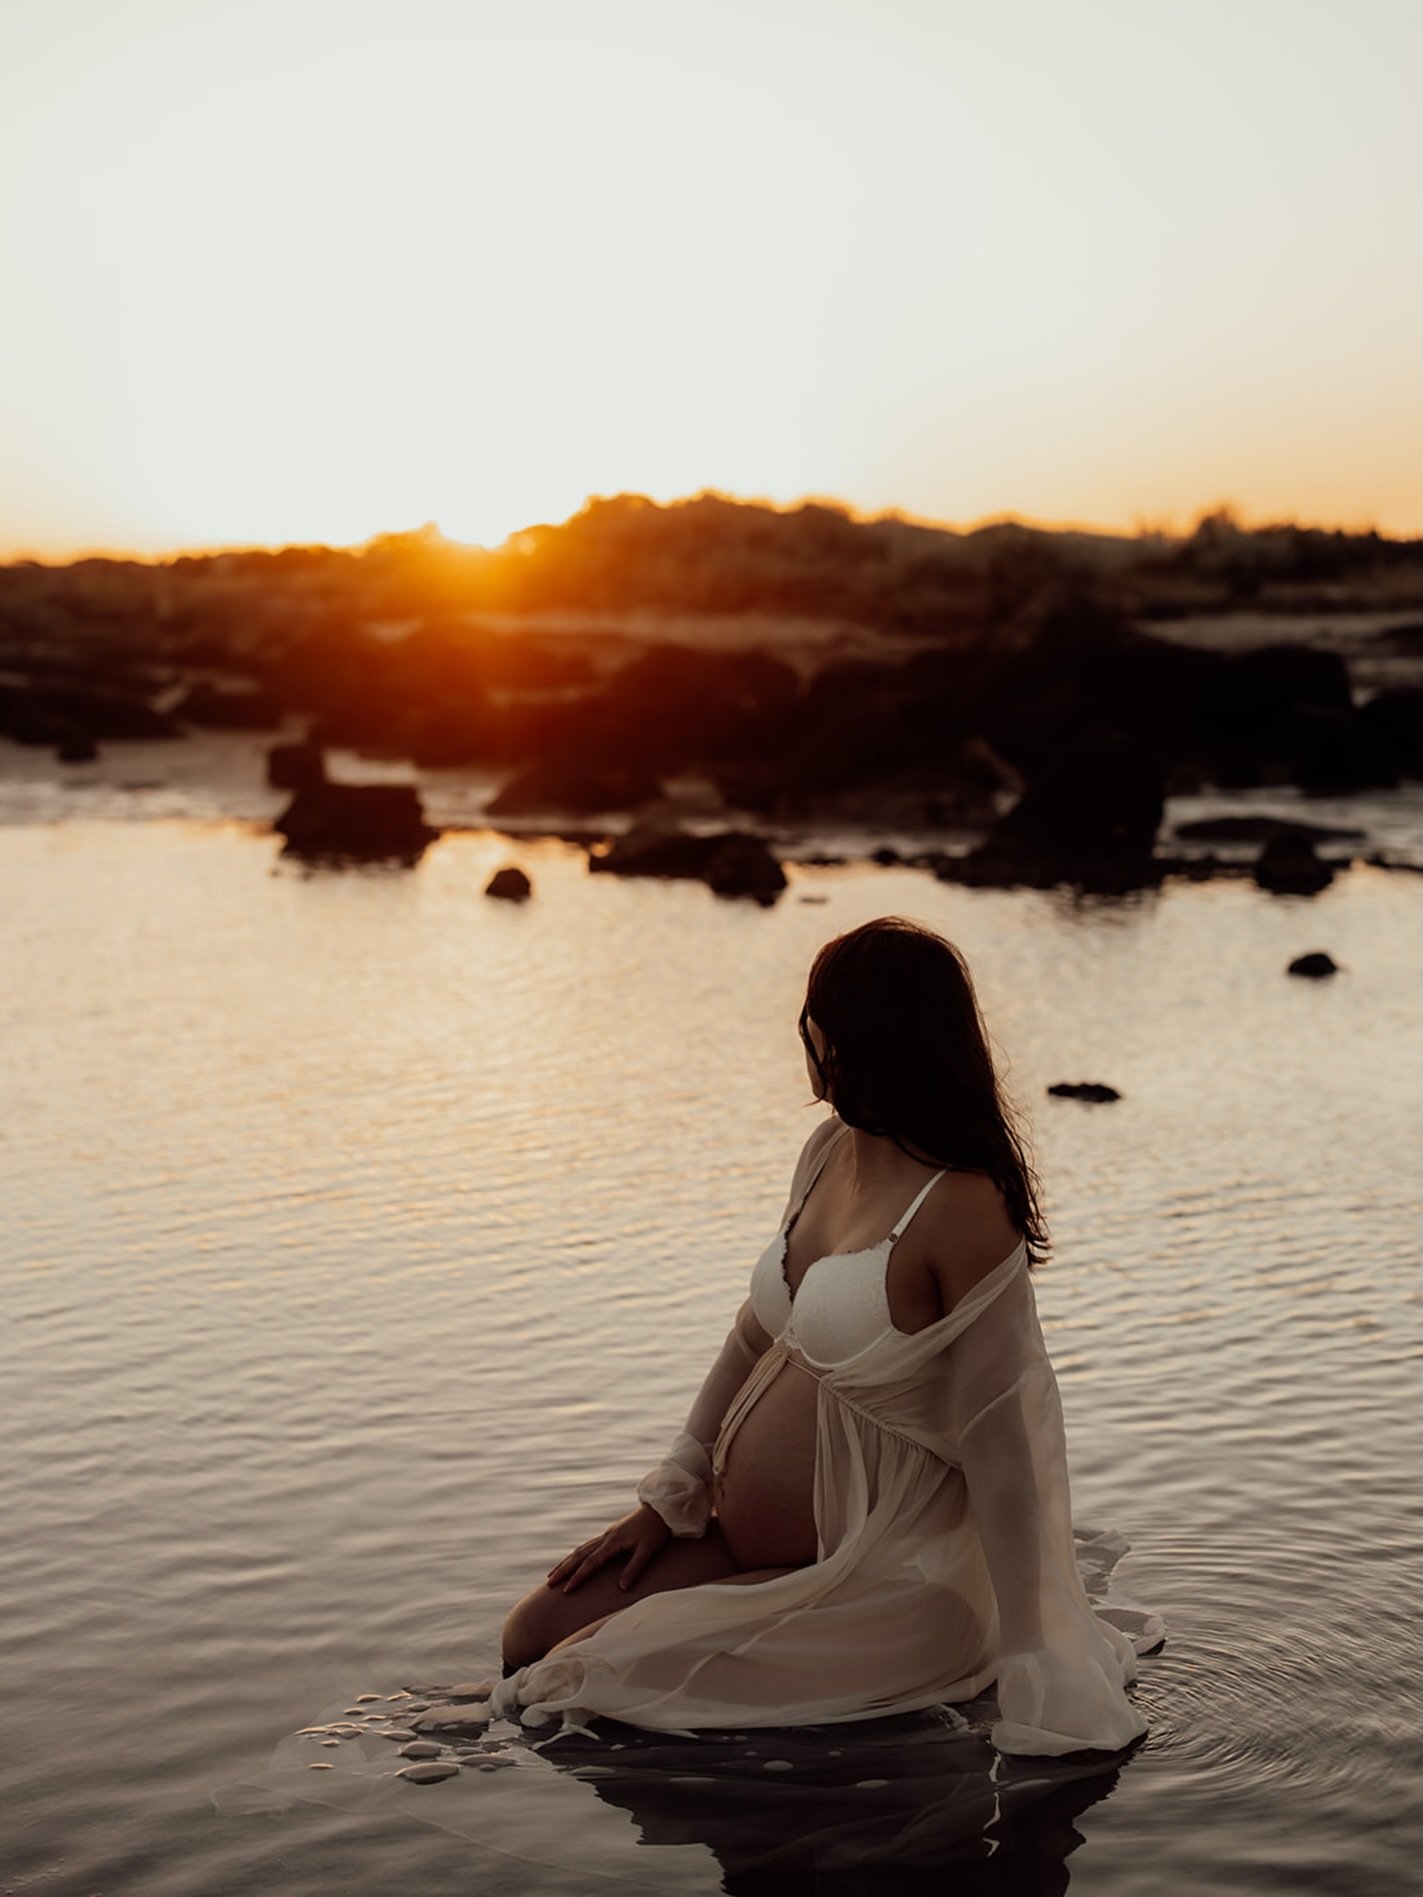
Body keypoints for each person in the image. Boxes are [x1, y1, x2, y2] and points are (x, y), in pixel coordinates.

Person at [493, 917, 1161, 1753]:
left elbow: (1004, 1435)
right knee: (533, 1634)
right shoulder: (825, 1150)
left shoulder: (961, 1202)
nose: (811, 1045)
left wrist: (1034, 1655)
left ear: (878, 1038)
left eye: (824, 1027)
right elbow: (751, 1338)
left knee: (581, 1676)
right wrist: (665, 1499)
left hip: (888, 1571)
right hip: (744, 1537)